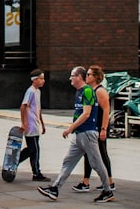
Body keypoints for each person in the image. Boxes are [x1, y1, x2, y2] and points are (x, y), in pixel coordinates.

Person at [37, 66, 114, 203]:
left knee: (96, 163)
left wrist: (70, 128)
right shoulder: (79, 91)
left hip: (88, 133)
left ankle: (107, 190)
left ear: (79, 77)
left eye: (72, 75)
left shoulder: (88, 91)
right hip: (79, 135)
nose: (70, 78)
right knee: (68, 161)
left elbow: (86, 113)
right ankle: (55, 189)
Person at [72, 65, 115, 193]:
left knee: (102, 153)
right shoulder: (89, 90)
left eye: (89, 74)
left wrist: (103, 129)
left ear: (96, 77)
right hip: (93, 127)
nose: (87, 76)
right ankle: (86, 181)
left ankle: (110, 182)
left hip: (100, 126)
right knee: (88, 154)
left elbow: (106, 110)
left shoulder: (100, 91)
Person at [18, 68, 49, 181]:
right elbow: (23, 106)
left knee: (32, 149)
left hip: (36, 125)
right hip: (30, 126)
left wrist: (42, 123)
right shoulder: (30, 91)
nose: (43, 81)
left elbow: (38, 109)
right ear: (34, 80)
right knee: (34, 150)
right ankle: (36, 173)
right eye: (41, 78)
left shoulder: (38, 92)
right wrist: (24, 123)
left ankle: (15, 160)